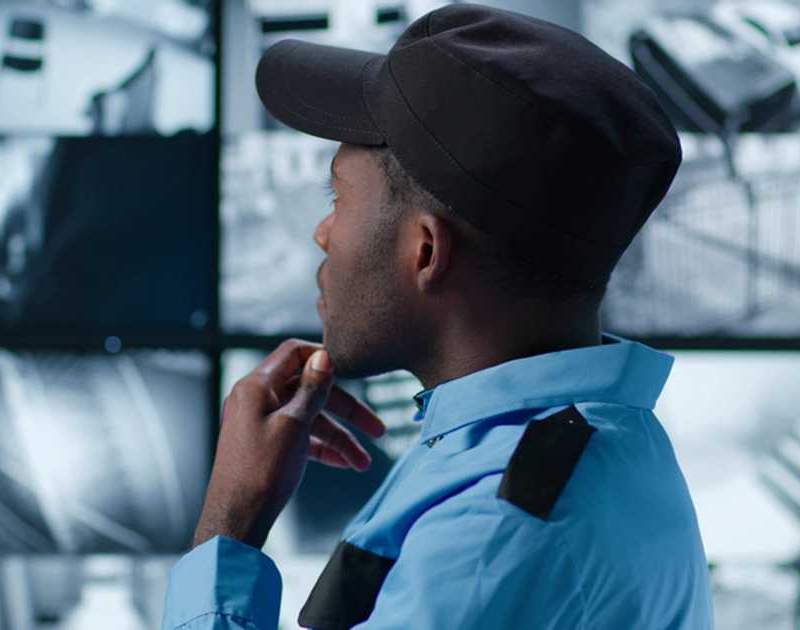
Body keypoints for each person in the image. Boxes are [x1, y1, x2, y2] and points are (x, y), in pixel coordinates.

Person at [165, 4, 713, 629]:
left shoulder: (492, 534)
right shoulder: (586, 442)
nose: (322, 234)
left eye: (336, 198)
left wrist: (228, 525)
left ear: (425, 252)